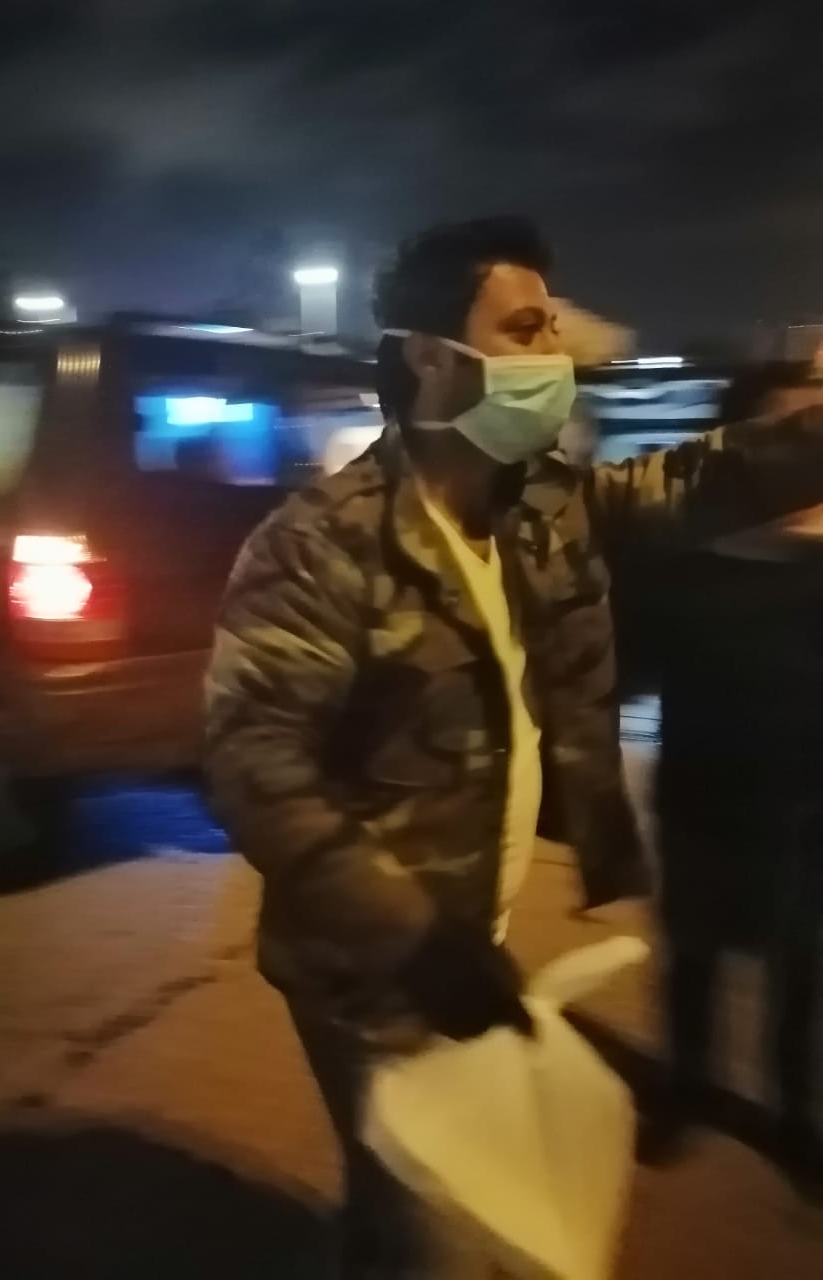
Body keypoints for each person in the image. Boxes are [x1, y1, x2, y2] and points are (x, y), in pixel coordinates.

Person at [202, 218, 823, 1276]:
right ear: (433, 358)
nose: (556, 357)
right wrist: (416, 941)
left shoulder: (540, 507)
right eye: (526, 331)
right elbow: (254, 763)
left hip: (465, 942)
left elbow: (712, 477)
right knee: (438, 1240)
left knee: (398, 1207)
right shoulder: (319, 544)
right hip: (369, 971)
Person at [653, 361, 823, 1200]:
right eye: (789, 429)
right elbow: (632, 657)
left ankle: (798, 1118)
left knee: (804, 976)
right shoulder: (690, 547)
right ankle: (687, 1089)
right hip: (702, 791)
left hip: (810, 809)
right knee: (693, 960)